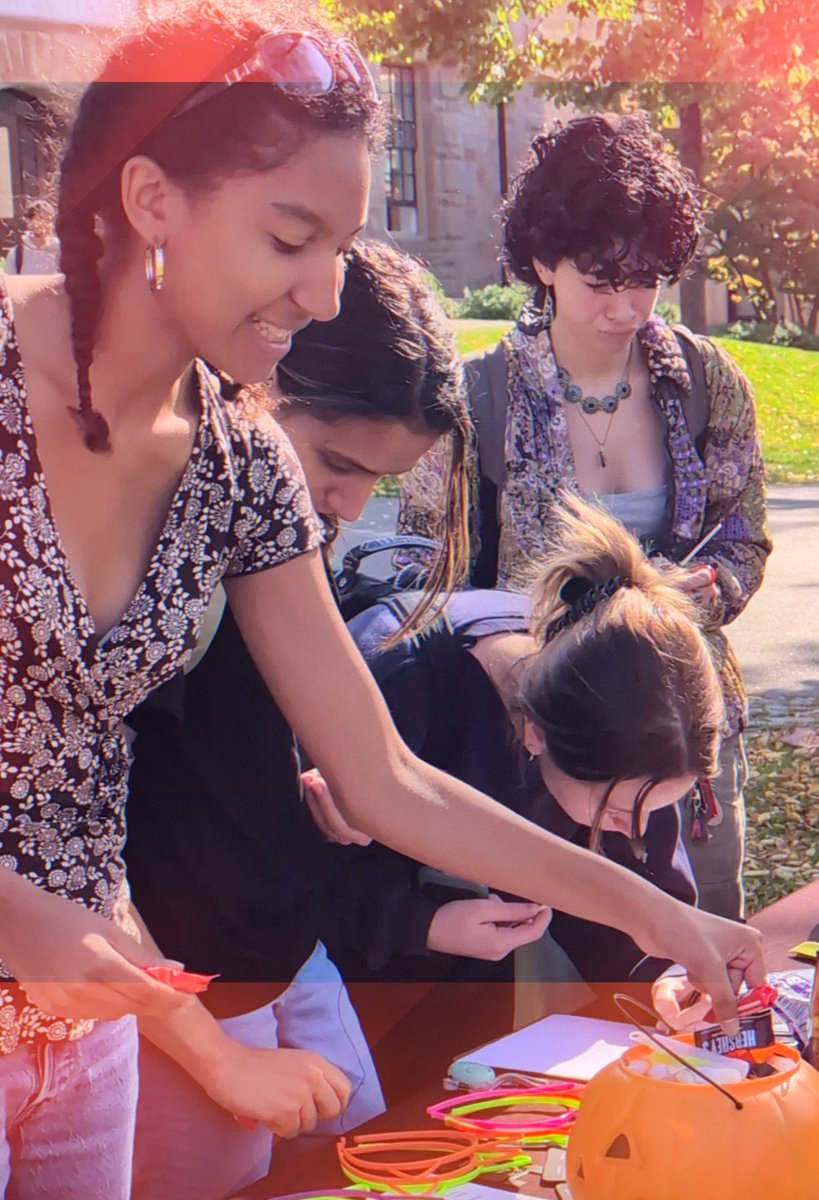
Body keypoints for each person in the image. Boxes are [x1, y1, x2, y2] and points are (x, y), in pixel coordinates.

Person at [0, 9, 764, 1194]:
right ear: (151, 200)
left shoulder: (240, 463)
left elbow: (385, 778)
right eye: (290, 237)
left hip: (87, 1025)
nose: (321, 295)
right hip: (120, 994)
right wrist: (195, 1037)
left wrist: (667, 919)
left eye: (344, 246)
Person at [123, 240, 470, 1200]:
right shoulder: (154, 530)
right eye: (336, 462)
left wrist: (299, 780)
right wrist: (201, 1047)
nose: (350, 505)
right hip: (170, 979)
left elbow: (340, 757)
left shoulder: (277, 530)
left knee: (359, 1158)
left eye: (381, 481)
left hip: (280, 943)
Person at [399, 112, 772, 921]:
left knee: (697, 955)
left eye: (646, 278)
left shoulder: (708, 383)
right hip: (544, 752)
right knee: (555, 984)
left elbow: (745, 537)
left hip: (683, 740)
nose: (627, 305)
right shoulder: (478, 400)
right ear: (542, 261)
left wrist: (702, 589)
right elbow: (420, 579)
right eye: (602, 281)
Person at [306, 498, 720, 1009]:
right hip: (322, 1007)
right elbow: (284, 872)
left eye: (655, 808)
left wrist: (663, 978)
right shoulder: (397, 676)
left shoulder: (634, 726)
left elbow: (632, 900)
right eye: (615, 811)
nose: (632, 832)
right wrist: (420, 923)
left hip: (472, 1013)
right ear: (535, 737)